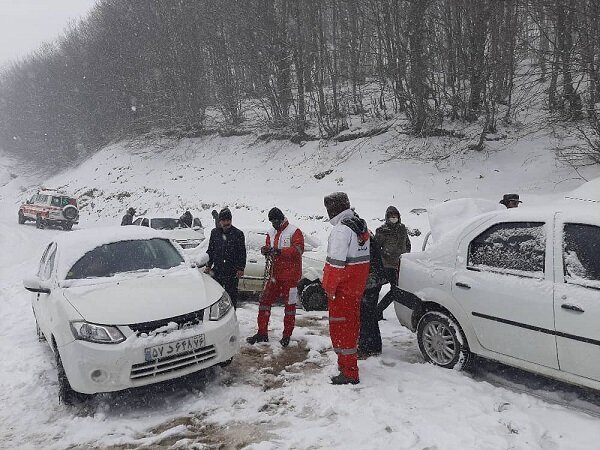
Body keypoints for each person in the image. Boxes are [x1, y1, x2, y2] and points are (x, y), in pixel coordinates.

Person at [322, 192, 370, 385]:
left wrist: (328, 288)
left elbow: (335, 266)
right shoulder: (360, 225)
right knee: (351, 327)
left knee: (341, 330)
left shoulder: (342, 230)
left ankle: (348, 371)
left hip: (341, 291)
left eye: (329, 208)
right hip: (355, 288)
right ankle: (348, 365)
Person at [246, 207, 304, 348]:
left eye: (275, 221)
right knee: (264, 301)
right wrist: (265, 250)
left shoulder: (294, 231)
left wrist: (279, 251)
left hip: (290, 277)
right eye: (272, 222)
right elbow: (268, 246)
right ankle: (262, 333)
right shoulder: (271, 233)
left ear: (281, 218)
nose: (274, 224)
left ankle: (286, 335)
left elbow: (299, 250)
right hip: (274, 276)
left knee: (289, 307)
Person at [205, 208, 246, 309]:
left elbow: (242, 253)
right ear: (220, 221)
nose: (226, 223)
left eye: (228, 220)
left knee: (231, 298)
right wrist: (208, 265)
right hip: (217, 271)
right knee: (215, 297)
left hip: (232, 272)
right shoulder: (214, 233)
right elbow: (210, 251)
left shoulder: (238, 234)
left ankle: (232, 317)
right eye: (224, 220)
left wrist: (241, 268)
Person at [375, 206, 411, 320]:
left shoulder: (402, 229)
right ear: (387, 217)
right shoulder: (382, 230)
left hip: (401, 264)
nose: (394, 218)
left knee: (397, 289)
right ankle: (378, 310)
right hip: (387, 264)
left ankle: (378, 310)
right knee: (395, 289)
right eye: (391, 216)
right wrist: (385, 256)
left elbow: (407, 243)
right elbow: (376, 247)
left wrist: (405, 253)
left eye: (395, 216)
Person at [358, 231, 387, 359]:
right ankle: (375, 345)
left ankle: (365, 347)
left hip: (369, 281)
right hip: (374, 280)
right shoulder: (367, 237)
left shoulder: (363, 240)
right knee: (370, 314)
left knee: (365, 315)